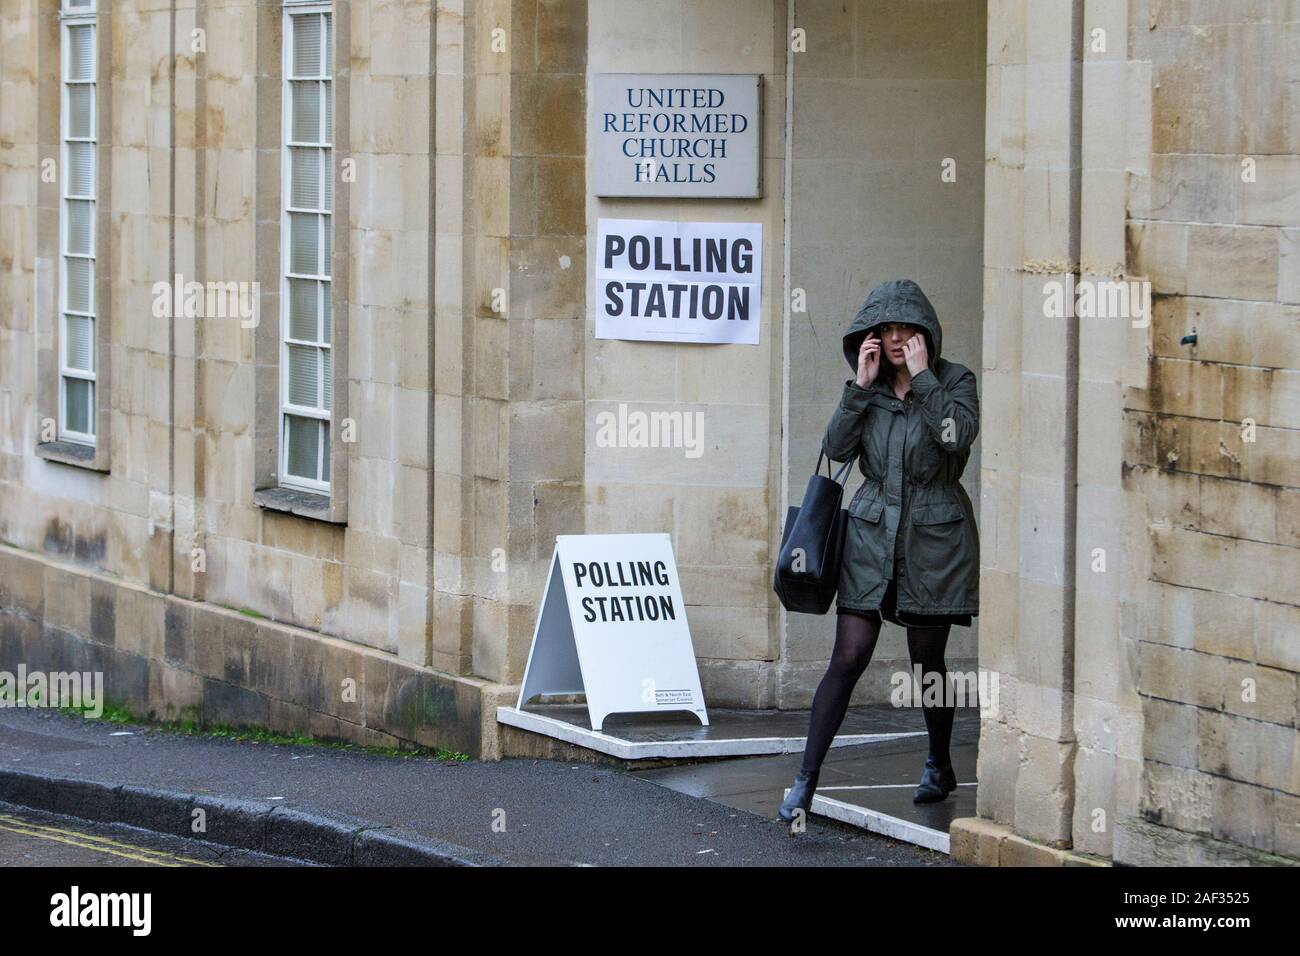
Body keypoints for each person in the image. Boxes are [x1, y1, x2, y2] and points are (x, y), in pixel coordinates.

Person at [778, 278, 980, 827]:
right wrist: (859, 387)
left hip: (933, 538)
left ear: (924, 334)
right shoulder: (867, 386)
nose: (895, 338)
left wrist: (924, 379)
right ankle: (806, 781)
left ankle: (939, 763)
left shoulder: (955, 380)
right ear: (872, 335)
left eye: (906, 328)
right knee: (848, 656)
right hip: (869, 535)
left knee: (926, 660)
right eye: (886, 329)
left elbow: (956, 438)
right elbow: (836, 451)